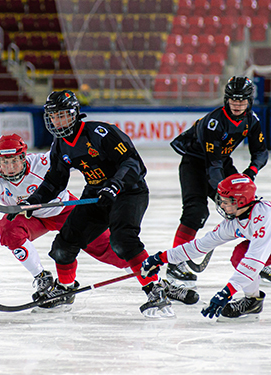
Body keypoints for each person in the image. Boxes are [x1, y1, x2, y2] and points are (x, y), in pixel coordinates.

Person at [17, 89, 198, 317]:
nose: (58, 121)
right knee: (64, 245)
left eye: (63, 115)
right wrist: (32, 202)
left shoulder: (100, 133)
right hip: (96, 194)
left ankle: (155, 289)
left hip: (129, 192)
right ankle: (64, 290)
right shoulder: (60, 145)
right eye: (54, 116)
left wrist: (114, 185)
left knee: (123, 240)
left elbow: (134, 164)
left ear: (74, 114)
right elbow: (55, 181)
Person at [0, 134, 134, 302]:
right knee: (7, 229)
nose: (10, 168)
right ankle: (41, 276)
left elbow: (78, 161)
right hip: (31, 218)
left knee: (108, 249)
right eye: (4, 162)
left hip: (63, 210)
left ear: (24, 158)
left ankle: (147, 277)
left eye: (14, 160)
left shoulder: (43, 163)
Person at [168, 76, 268, 287]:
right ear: (226, 100)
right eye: (233, 100)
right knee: (196, 212)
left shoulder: (252, 120)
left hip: (221, 161)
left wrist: (250, 172)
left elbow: (260, 152)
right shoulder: (214, 122)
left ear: (249, 101)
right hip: (195, 163)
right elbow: (212, 166)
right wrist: (224, 196)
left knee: (248, 207)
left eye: (242, 100)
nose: (238, 105)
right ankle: (175, 263)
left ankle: (264, 260)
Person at [141, 173, 269, 321]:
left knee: (246, 256)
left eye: (226, 201)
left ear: (240, 201)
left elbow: (254, 260)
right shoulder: (234, 221)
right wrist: (161, 258)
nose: (221, 205)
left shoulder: (263, 218)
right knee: (240, 254)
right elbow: (200, 246)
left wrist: (227, 292)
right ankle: (252, 302)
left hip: (265, 250)